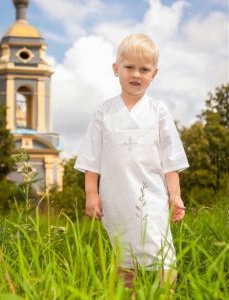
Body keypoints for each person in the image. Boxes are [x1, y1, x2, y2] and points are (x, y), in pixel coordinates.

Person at [74, 34, 189, 297]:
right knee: (124, 258)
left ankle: (166, 295)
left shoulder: (158, 111)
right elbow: (92, 157)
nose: (136, 74)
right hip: (116, 199)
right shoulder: (104, 111)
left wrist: (176, 195)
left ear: (154, 74)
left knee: (164, 257)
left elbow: (170, 160)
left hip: (153, 200)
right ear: (116, 69)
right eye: (129, 67)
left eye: (144, 69)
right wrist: (91, 194)